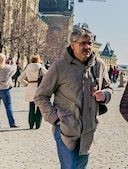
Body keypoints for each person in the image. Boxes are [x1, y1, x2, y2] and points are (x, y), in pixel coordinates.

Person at [34, 26, 113, 168]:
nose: (87, 47)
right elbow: (41, 96)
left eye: (89, 43)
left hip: (88, 130)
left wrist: (105, 95)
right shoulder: (59, 66)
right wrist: (55, 118)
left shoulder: (99, 66)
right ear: (72, 45)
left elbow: (108, 88)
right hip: (65, 129)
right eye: (83, 43)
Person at [17, 54, 48, 129]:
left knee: (31, 106)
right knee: (39, 107)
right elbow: (48, 75)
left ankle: (31, 124)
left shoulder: (28, 67)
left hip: (30, 87)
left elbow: (20, 79)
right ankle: (37, 124)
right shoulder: (40, 67)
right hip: (39, 87)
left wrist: (26, 83)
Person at [0, 53, 18, 128]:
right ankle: (12, 123)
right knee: (8, 107)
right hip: (5, 89)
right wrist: (13, 62)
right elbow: (14, 70)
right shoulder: (7, 68)